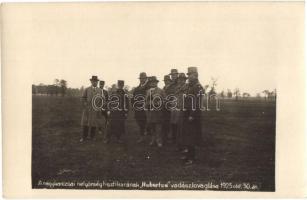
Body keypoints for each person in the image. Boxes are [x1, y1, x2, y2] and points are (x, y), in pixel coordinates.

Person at [181, 67, 204, 165]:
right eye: (188, 75)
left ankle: (191, 158)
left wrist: (192, 115)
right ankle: (188, 155)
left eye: (190, 74)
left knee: (191, 137)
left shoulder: (198, 87)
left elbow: (198, 103)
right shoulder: (190, 86)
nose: (188, 76)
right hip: (187, 113)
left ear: (195, 75)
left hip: (193, 115)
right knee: (187, 136)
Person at [80, 75, 103, 142]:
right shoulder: (87, 89)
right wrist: (85, 104)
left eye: (96, 81)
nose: (95, 83)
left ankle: (92, 137)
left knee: (94, 123)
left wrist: (99, 108)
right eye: (93, 81)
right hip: (88, 109)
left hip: (96, 109)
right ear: (91, 82)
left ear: (97, 82)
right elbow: (83, 98)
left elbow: (101, 100)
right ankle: (84, 137)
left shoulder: (99, 90)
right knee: (85, 123)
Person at [145, 76, 166, 147]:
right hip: (150, 112)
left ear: (156, 83)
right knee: (152, 127)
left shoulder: (161, 91)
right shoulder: (148, 91)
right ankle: (153, 140)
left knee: (158, 128)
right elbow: (146, 101)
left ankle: (159, 141)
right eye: (151, 82)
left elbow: (165, 100)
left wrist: (159, 103)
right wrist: (148, 104)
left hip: (158, 112)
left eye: (154, 82)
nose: (152, 84)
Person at [132, 72, 150, 143]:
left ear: (146, 79)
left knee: (148, 122)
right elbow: (133, 97)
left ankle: (148, 135)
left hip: (146, 108)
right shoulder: (137, 88)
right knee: (139, 121)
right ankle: (142, 135)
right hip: (138, 108)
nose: (142, 79)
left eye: (143, 78)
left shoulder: (149, 87)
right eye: (141, 78)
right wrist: (133, 104)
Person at [173, 73, 188, 150]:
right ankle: (179, 145)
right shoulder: (176, 88)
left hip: (184, 110)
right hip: (177, 110)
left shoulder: (187, 88)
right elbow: (174, 99)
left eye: (183, 80)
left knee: (184, 129)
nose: (181, 81)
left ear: (185, 80)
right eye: (179, 80)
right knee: (178, 128)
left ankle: (184, 146)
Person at [168, 69, 179, 143]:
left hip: (179, 105)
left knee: (178, 122)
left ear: (177, 75)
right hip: (171, 105)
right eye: (172, 75)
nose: (173, 76)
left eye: (174, 75)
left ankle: (178, 138)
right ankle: (173, 138)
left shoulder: (180, 83)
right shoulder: (170, 85)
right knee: (172, 122)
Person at [161, 75, 172, 143]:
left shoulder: (172, 88)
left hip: (170, 106)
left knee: (170, 122)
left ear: (169, 81)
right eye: (165, 81)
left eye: (167, 81)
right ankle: (165, 136)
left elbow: (172, 97)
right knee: (165, 122)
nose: (166, 82)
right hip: (164, 107)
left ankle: (169, 137)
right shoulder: (163, 88)